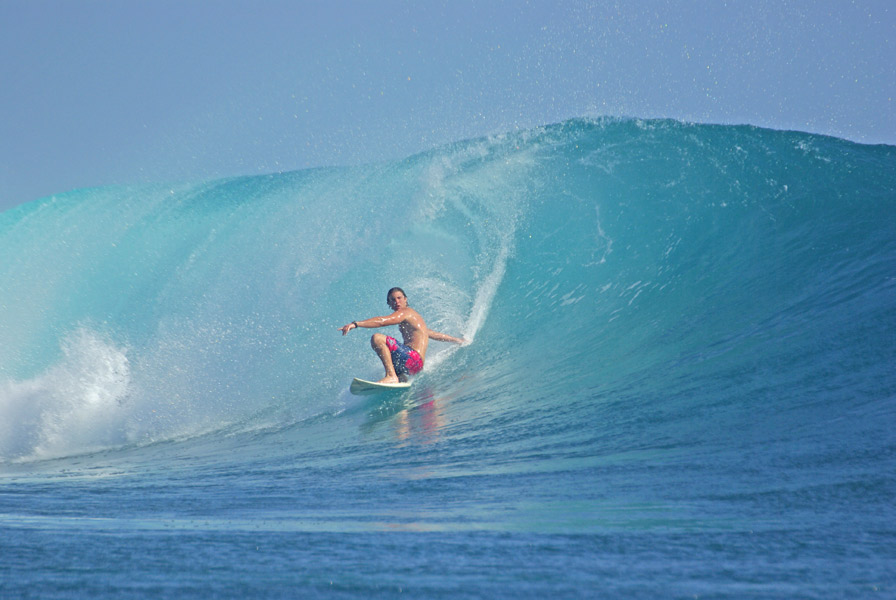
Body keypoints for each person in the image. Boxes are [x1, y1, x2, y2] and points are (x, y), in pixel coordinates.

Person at [339, 287, 466, 383]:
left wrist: (356, 324)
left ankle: (391, 376)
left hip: (413, 358)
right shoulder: (413, 319)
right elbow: (432, 334)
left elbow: (383, 321)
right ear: (389, 303)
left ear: (405, 299)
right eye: (392, 300)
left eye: (399, 298)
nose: (396, 301)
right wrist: (457, 340)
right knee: (394, 366)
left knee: (377, 338)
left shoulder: (406, 312)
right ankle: (399, 381)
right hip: (414, 365)